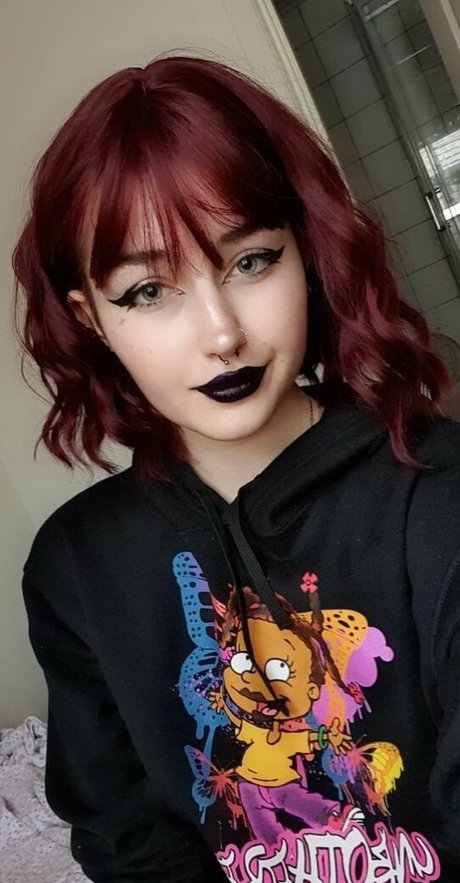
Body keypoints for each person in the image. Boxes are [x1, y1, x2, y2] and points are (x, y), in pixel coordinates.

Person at [12, 54, 460, 883]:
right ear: (92, 317)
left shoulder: (437, 493)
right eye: (148, 291)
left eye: (251, 260)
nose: (221, 333)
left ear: (306, 252)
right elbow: (128, 839)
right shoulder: (76, 567)